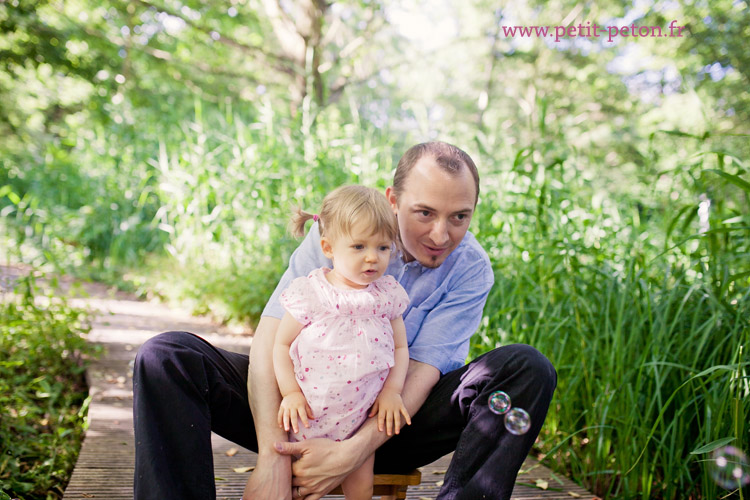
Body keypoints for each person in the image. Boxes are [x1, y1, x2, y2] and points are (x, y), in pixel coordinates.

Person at [133, 141, 557, 500]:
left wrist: (351, 453)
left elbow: (423, 370)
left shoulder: (471, 268)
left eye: (460, 216)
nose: (441, 235)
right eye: (424, 213)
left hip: (390, 423)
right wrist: (270, 457)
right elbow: (271, 340)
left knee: (527, 369)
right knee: (166, 356)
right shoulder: (342, 230)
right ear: (393, 201)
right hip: (296, 412)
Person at [273, 185, 412, 500]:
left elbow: (401, 349)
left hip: (359, 421)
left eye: (383, 248)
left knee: (361, 489)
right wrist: (290, 393)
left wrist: (392, 391)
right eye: (359, 246)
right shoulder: (313, 293)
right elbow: (281, 346)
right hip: (307, 417)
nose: (372, 258)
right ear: (328, 247)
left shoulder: (386, 296)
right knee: (298, 488)